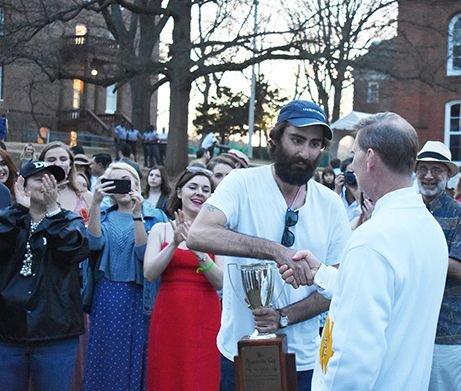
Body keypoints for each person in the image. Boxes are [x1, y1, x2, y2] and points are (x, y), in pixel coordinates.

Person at [187, 99, 351, 391]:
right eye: (297, 140)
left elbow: (339, 285)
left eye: (315, 144)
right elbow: (198, 234)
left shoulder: (331, 205)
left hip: (304, 360)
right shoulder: (241, 183)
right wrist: (275, 250)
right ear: (274, 138)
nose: (305, 153)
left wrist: (283, 317)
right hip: (241, 352)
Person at [280, 112, 449, 390]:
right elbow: (387, 297)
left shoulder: (372, 240)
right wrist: (320, 273)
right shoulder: (428, 227)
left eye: (355, 153)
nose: (353, 165)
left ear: (370, 158)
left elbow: (352, 359)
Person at [0, 161, 89, 390]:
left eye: (52, 180)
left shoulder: (70, 220)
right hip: (8, 329)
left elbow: (73, 249)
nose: (46, 185)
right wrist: (19, 210)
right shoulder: (9, 219)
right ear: (23, 185)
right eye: (39, 179)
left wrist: (53, 213)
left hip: (55, 331)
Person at [84, 162, 167, 390]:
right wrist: (96, 203)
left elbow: (144, 254)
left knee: (135, 351)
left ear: (137, 184)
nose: (121, 187)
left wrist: (138, 216)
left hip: (139, 295)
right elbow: (93, 243)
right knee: (104, 351)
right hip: (106, 294)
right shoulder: (103, 213)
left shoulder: (155, 215)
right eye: (114, 181)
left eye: (126, 181)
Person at [145, 167, 222, 390]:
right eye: (193, 187)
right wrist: (174, 243)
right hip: (169, 312)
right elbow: (149, 273)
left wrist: (198, 252)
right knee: (167, 372)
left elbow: (220, 281)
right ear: (179, 192)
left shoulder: (218, 234)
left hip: (204, 314)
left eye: (206, 189)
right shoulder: (160, 229)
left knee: (200, 375)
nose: (199, 193)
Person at [415, 141, 461, 391]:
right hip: (409, 326)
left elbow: (457, 267)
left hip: (447, 329)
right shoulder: (406, 210)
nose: (429, 176)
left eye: (437, 170)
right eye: (423, 169)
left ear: (449, 175)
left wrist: (410, 255)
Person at [39, 141, 92, 215]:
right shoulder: (34, 196)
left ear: (70, 165)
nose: (58, 164)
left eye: (63, 159)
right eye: (51, 160)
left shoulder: (85, 196)